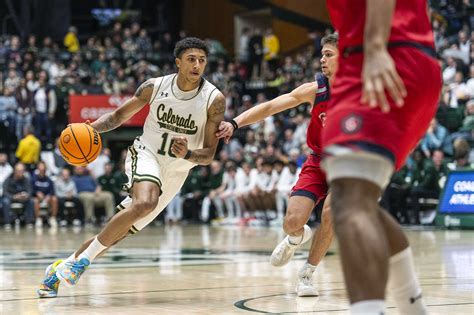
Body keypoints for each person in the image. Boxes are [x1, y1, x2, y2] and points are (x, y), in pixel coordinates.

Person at [37, 37, 225, 298]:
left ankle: (61, 269)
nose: (197, 65)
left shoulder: (214, 99)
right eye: (191, 59)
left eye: (202, 60)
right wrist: (89, 129)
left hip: (178, 170)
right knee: (145, 202)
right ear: (178, 62)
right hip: (147, 153)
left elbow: (208, 155)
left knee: (117, 233)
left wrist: (189, 153)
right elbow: (116, 117)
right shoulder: (155, 87)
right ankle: (81, 263)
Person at [320, 1, 442, 314]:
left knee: (348, 198)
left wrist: (374, 45)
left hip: (383, 54)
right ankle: (412, 307)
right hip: (403, 57)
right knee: (359, 199)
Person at [217, 34, 339, 296]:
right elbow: (272, 106)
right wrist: (235, 123)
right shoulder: (315, 90)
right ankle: (296, 236)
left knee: (331, 214)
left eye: (328, 53)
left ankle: (307, 274)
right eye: (322, 53)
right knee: (292, 221)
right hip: (318, 162)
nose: (322, 59)